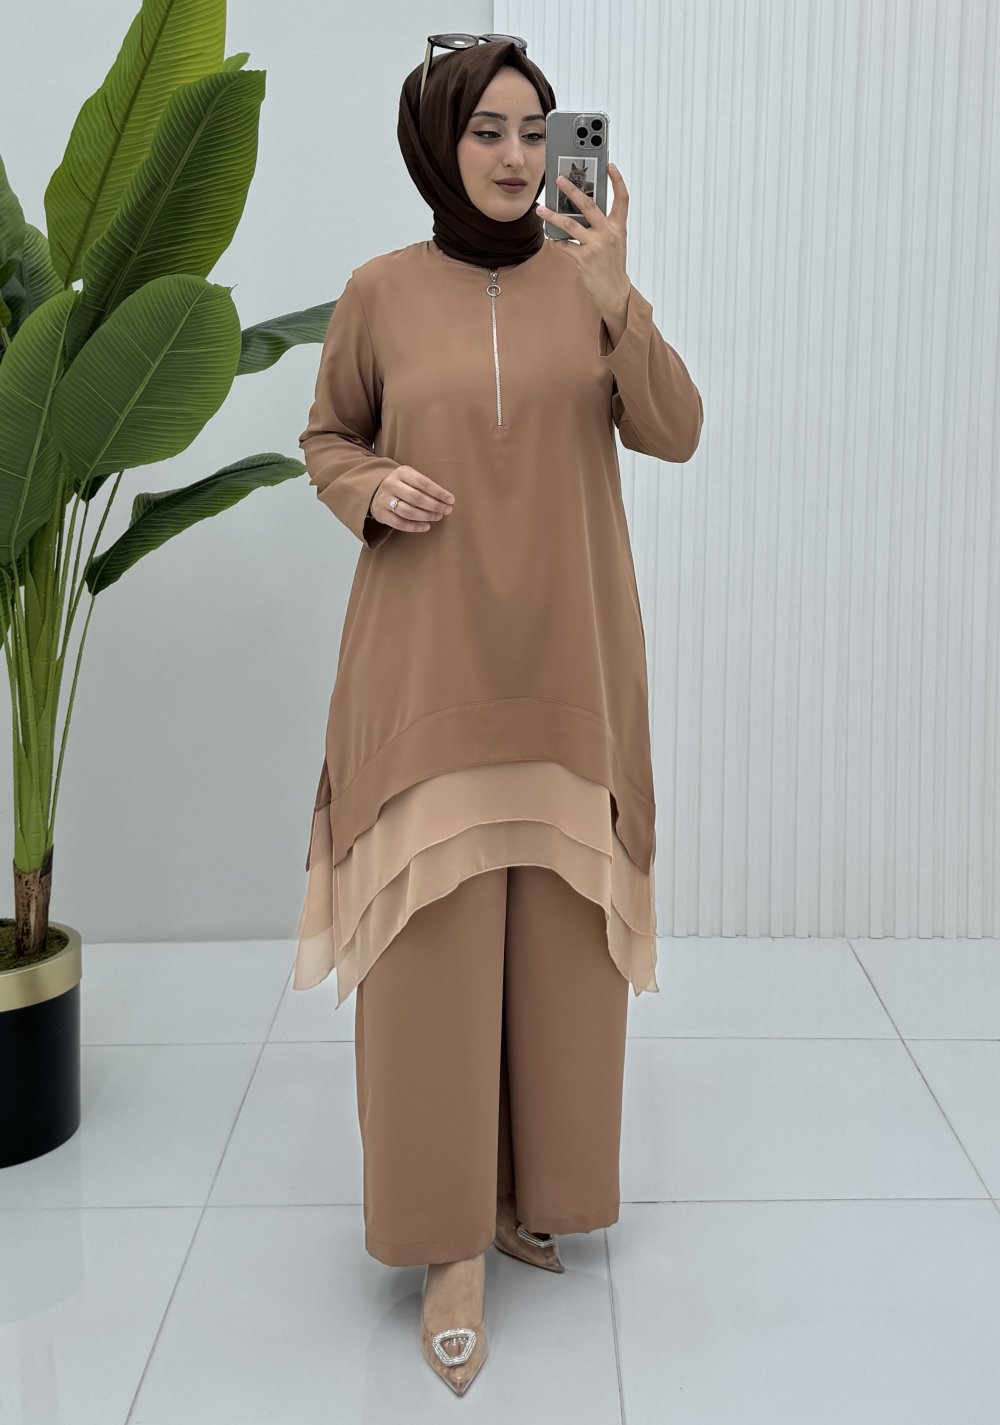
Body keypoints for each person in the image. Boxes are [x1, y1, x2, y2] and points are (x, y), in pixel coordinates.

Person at [292, 35, 704, 1396]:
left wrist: (618, 295)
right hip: (427, 665)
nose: (519, 156)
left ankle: (538, 1193)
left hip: (572, 660)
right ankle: (446, 1242)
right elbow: (328, 439)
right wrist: (370, 489)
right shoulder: (379, 293)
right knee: (433, 958)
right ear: (438, 141)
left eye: (536, 130)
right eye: (488, 130)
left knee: (563, 950)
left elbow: (675, 429)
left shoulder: (590, 284)